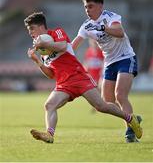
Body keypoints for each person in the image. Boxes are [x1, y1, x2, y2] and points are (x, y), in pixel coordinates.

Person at [24, 12, 142, 143]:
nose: (30, 33)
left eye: (32, 29)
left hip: (79, 77)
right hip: (64, 84)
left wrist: (45, 44)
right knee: (49, 105)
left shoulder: (56, 33)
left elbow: (63, 46)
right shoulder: (42, 52)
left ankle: (131, 119)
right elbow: (51, 74)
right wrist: (37, 61)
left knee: (101, 106)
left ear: (41, 27)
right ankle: (49, 134)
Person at [71, 0, 142, 143]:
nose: (87, 10)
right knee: (105, 102)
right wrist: (58, 53)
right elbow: (74, 45)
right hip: (109, 62)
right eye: (85, 7)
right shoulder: (86, 25)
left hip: (125, 58)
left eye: (90, 6)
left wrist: (103, 28)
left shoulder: (111, 17)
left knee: (120, 95)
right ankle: (133, 118)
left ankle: (130, 132)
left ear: (100, 6)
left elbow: (120, 32)